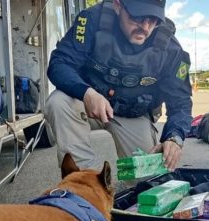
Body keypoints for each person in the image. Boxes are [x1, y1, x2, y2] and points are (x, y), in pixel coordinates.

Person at [44, 0, 193, 174]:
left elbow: (181, 102)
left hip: (133, 113)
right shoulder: (92, 20)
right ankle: (82, 180)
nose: (145, 27)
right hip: (89, 103)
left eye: (152, 20)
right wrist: (86, 93)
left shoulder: (170, 48)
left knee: (148, 181)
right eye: (137, 17)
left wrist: (174, 137)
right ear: (117, 5)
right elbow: (59, 63)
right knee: (58, 102)